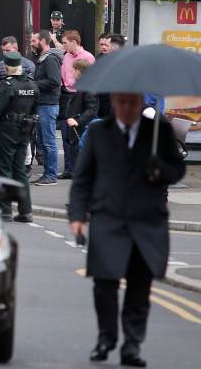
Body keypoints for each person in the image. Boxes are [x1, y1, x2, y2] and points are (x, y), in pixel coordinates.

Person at [69, 94, 186, 367]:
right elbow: (83, 177)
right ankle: (106, 337)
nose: (127, 109)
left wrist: (161, 169)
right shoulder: (99, 131)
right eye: (122, 103)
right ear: (114, 103)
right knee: (104, 284)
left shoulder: (159, 131)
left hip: (147, 221)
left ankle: (132, 346)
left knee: (139, 286)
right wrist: (77, 215)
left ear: (140, 104)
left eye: (132, 103)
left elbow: (178, 169)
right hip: (109, 218)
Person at [0, 51, 39, 222]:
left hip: (7, 130)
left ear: (7, 67)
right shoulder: (33, 86)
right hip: (25, 130)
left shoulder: (8, 85)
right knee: (20, 170)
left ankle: (5, 210)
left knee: (5, 168)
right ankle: (25, 211)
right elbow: (35, 109)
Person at [59, 29, 96, 177]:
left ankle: (78, 171)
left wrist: (78, 120)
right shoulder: (65, 57)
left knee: (78, 144)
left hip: (79, 102)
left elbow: (91, 108)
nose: (63, 46)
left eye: (65, 43)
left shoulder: (88, 58)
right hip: (68, 96)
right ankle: (70, 169)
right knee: (68, 139)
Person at [30, 29, 63, 185]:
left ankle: (51, 175)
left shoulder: (49, 60)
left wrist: (34, 84)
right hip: (44, 104)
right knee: (44, 142)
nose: (31, 43)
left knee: (49, 142)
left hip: (48, 105)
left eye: (34, 41)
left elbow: (55, 81)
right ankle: (47, 174)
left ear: (43, 41)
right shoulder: (43, 59)